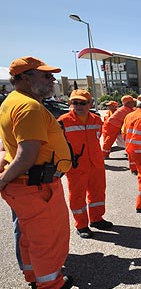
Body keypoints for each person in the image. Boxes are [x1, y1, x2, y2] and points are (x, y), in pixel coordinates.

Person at [0, 56, 94, 289]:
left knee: (31, 240)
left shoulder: (12, 102)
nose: (52, 79)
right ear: (25, 78)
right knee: (48, 241)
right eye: (46, 75)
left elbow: (7, 147)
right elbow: (26, 153)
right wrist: (4, 180)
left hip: (27, 186)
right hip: (37, 187)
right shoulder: (29, 107)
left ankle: (39, 287)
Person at [58, 89, 112, 239]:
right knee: (77, 196)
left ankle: (96, 218)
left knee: (98, 192)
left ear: (90, 104)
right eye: (75, 102)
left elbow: (97, 137)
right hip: (76, 166)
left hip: (96, 163)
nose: (78, 106)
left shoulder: (96, 119)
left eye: (82, 103)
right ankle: (81, 225)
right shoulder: (63, 121)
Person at [102, 94, 136, 167]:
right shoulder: (126, 110)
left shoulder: (125, 109)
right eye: (132, 102)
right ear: (128, 103)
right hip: (112, 125)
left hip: (112, 125)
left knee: (109, 139)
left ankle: (105, 153)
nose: (134, 103)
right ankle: (104, 154)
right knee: (109, 139)